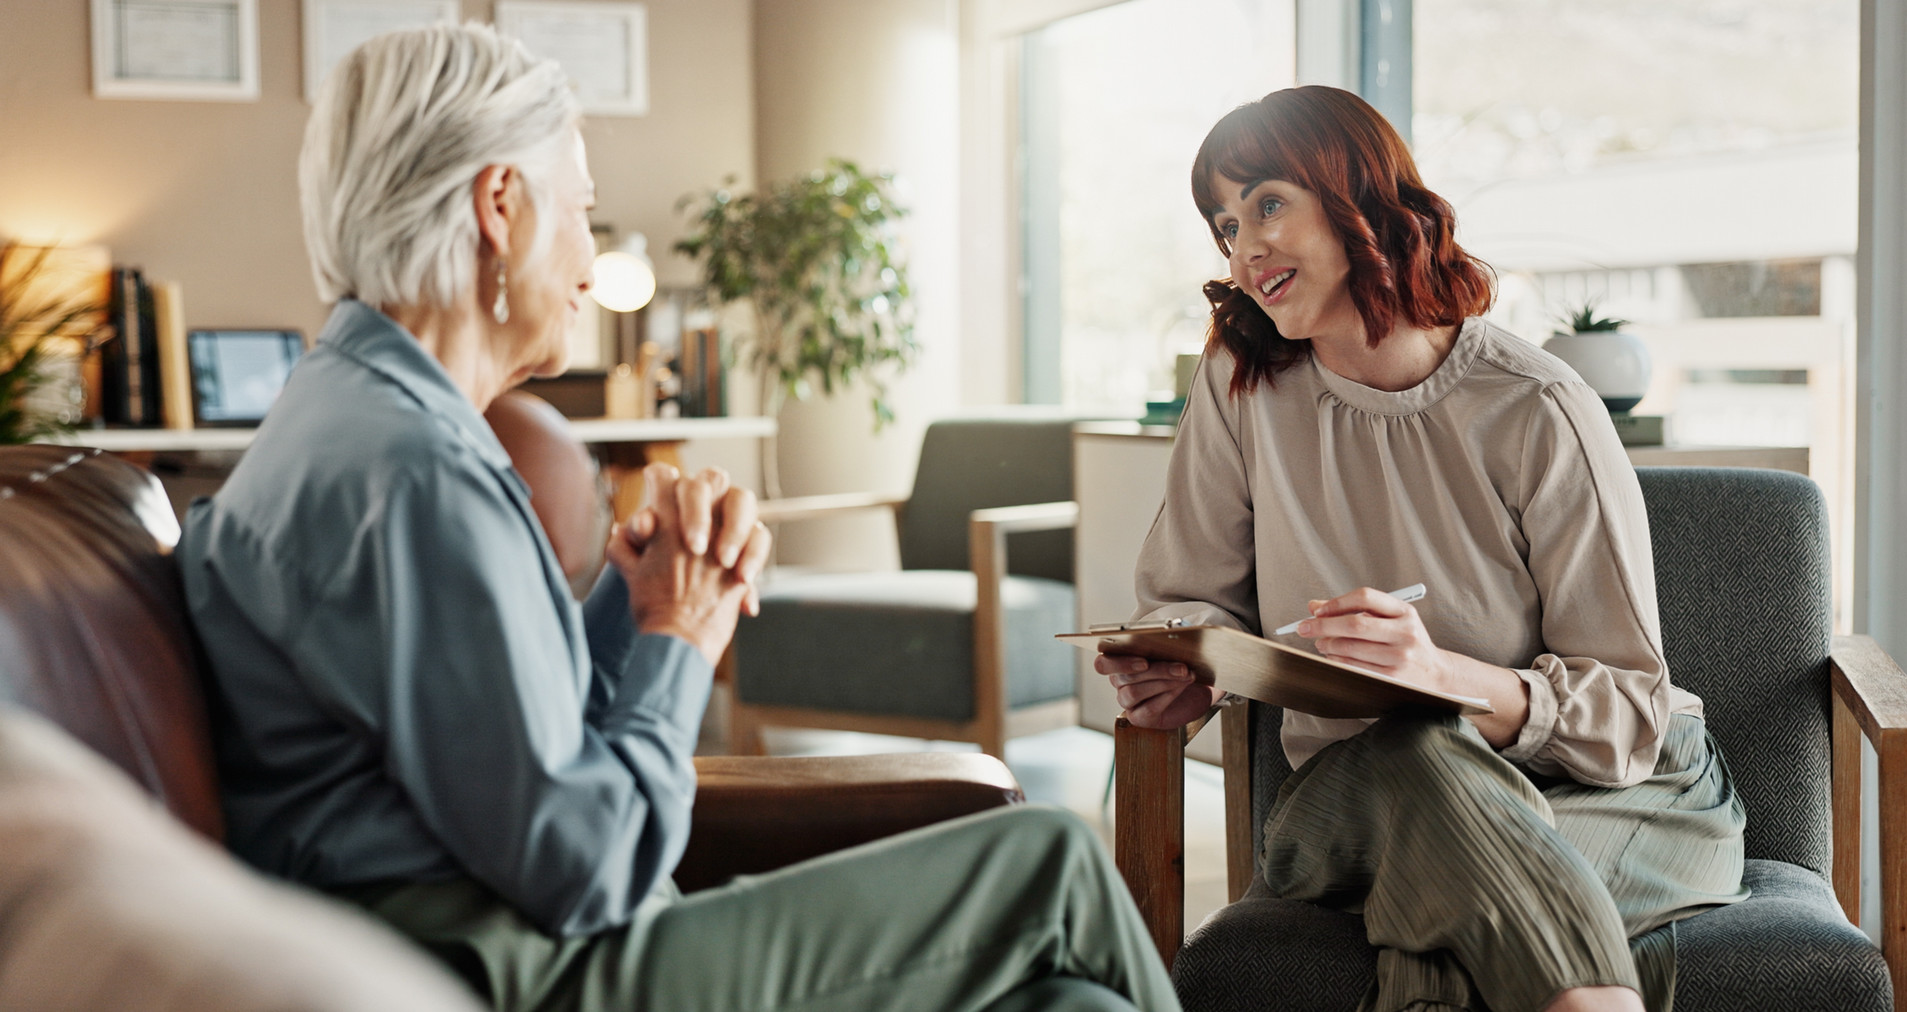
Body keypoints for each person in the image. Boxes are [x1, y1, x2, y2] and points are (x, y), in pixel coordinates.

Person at [178, 22, 1177, 1012]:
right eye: (581, 209)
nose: (587, 253)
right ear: (499, 204)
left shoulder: (350, 414)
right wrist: (680, 635)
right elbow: (583, 863)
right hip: (526, 963)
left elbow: (500, 730)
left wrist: (632, 597)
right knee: (1051, 860)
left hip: (498, 926)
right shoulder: (412, 470)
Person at [1099, 86, 1746, 1012]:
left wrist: (1438, 675)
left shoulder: (1535, 406)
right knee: (1422, 754)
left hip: (1625, 791)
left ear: (1357, 195)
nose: (1244, 248)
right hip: (1360, 794)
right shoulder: (1241, 392)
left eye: (1268, 203)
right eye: (1225, 224)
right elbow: (1187, 597)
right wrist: (1187, 666)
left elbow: (1633, 716)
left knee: (1453, 934)